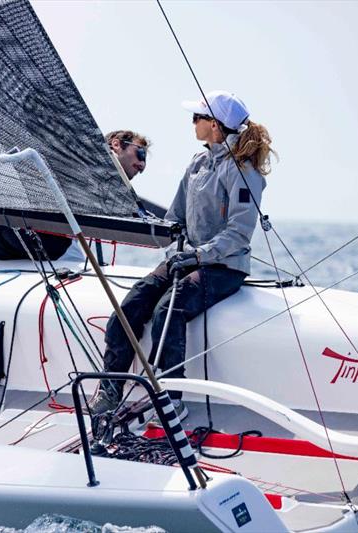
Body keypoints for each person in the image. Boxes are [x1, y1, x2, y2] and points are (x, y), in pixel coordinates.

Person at [89, 91, 276, 421]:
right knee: (133, 303)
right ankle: (111, 387)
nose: (192, 123)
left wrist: (197, 256)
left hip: (224, 266)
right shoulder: (197, 163)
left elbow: (238, 234)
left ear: (215, 126)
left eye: (197, 118)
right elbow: (175, 217)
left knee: (168, 308)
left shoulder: (244, 172)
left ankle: (171, 397)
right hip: (188, 260)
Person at [0, 130, 151, 261]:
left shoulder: (93, 178)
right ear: (116, 144)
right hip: (22, 237)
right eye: (141, 153)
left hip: (3, 240)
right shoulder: (82, 160)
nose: (142, 166)